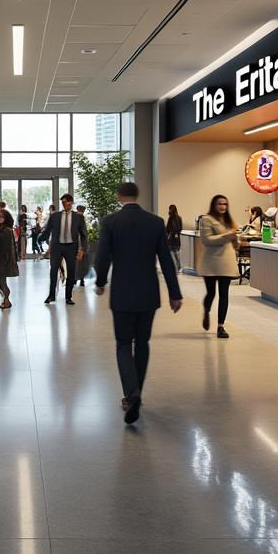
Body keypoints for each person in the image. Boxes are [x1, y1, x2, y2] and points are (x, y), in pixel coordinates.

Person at [95, 182, 182, 425]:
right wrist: (175, 293)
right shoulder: (155, 222)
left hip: (122, 293)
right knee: (142, 343)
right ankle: (137, 394)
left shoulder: (110, 222)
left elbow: (102, 257)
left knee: (123, 344)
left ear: (119, 196)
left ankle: (131, 394)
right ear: (137, 195)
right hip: (148, 294)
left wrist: (100, 281)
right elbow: (166, 260)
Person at [199, 195, 239, 338]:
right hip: (211, 262)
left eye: (225, 204)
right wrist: (228, 235)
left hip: (226, 262)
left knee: (224, 294)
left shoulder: (229, 221)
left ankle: (221, 326)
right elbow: (207, 240)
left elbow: (234, 241)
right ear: (214, 205)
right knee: (211, 293)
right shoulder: (206, 219)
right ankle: (206, 311)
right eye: (219, 204)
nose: (223, 206)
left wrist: (235, 239)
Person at [41, 193, 88, 305]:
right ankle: (51, 295)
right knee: (53, 270)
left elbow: (84, 234)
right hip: (57, 246)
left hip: (71, 247)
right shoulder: (55, 216)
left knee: (71, 272)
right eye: (62, 202)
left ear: (71, 203)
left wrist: (82, 250)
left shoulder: (78, 217)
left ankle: (68, 297)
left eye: (66, 201)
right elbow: (47, 230)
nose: (64, 204)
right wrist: (40, 238)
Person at [0, 209, 19, 309]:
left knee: (0, 279)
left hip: (1, 260)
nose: (0, 218)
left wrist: (3, 260)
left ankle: (6, 299)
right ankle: (6, 299)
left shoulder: (6, 230)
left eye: (2, 217)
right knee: (0, 279)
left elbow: (7, 247)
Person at [166, 204, 183, 272]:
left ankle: (176, 268)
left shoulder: (171, 218)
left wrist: (169, 235)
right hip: (176, 239)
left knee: (173, 254)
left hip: (172, 240)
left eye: (170, 209)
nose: (169, 210)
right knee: (175, 254)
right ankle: (177, 268)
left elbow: (168, 229)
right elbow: (180, 228)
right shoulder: (179, 218)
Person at [75, 204, 88, 286]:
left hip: (75, 243)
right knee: (82, 262)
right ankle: (81, 280)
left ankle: (75, 279)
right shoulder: (81, 217)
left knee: (76, 262)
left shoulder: (74, 217)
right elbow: (83, 233)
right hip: (81, 243)